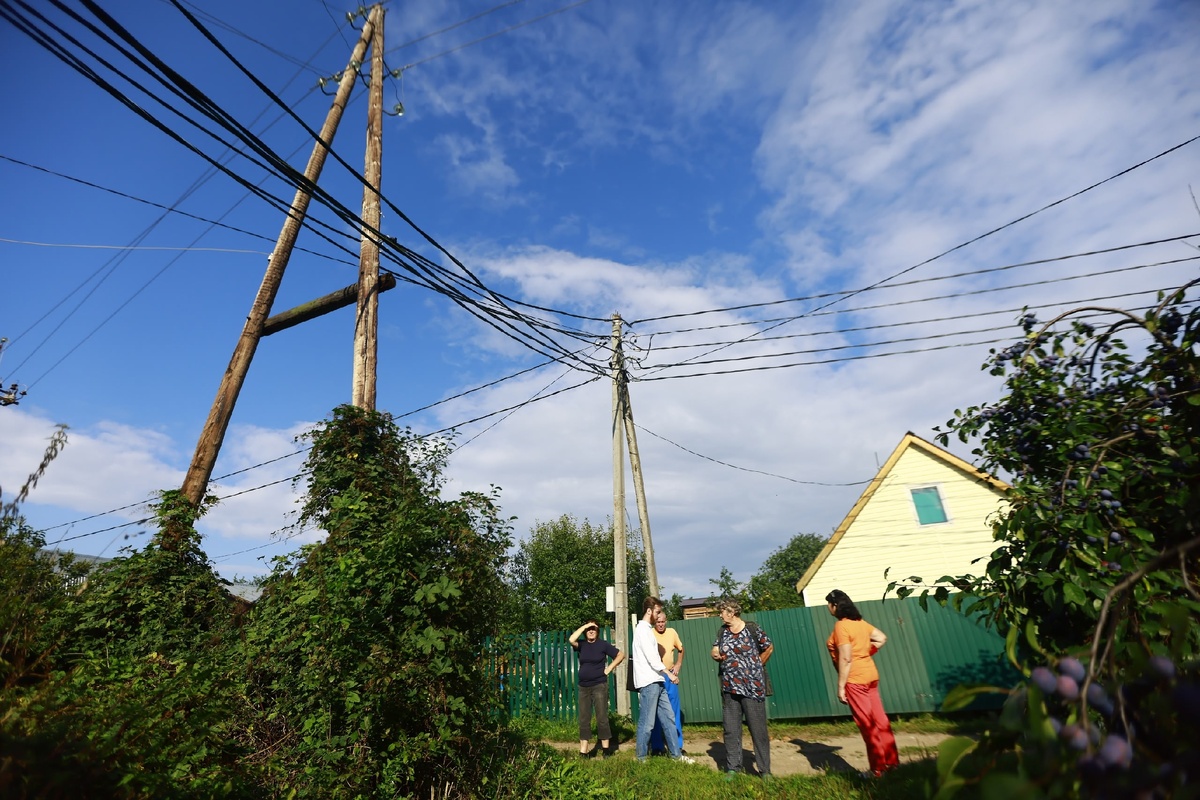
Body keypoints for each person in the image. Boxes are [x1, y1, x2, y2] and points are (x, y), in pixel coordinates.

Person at [825, 589, 899, 777]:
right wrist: (866, 653)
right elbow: (881, 638)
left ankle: (877, 770)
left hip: (855, 679)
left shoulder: (842, 626)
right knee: (880, 720)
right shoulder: (860, 623)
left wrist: (841, 686)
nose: (828, 608)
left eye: (828, 604)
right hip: (871, 676)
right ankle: (892, 763)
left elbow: (846, 658)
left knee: (867, 724)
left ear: (835, 606)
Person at [710, 598, 773, 779]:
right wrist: (715, 654)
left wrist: (757, 665)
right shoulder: (723, 632)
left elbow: (769, 647)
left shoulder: (752, 628)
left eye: (722, 611)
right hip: (730, 688)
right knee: (731, 729)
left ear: (731, 612)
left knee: (758, 729)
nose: (720, 615)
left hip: (752, 688)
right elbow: (715, 649)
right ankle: (733, 768)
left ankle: (765, 771)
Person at [631, 596, 694, 763]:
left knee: (668, 719)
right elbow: (652, 658)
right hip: (649, 683)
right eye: (657, 612)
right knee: (647, 723)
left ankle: (676, 756)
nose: (659, 616)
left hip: (657, 681)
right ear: (649, 611)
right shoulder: (642, 631)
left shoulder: (647, 630)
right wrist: (669, 673)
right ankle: (641, 758)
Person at [568, 619, 624, 757]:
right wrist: (585, 625)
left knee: (602, 717)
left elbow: (620, 655)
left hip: (599, 685)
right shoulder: (581, 644)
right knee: (584, 718)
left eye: (594, 629)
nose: (591, 631)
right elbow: (571, 639)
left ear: (598, 631)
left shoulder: (603, 645)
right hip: (583, 686)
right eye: (589, 629)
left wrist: (610, 668)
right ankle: (584, 751)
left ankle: (606, 750)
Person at [648, 609, 685, 755]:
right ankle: (657, 747)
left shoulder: (672, 632)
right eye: (658, 622)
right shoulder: (649, 634)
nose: (661, 625)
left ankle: (677, 746)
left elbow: (681, 649)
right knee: (655, 712)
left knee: (673, 711)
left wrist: (678, 665)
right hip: (655, 676)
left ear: (666, 621)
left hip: (671, 677)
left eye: (663, 622)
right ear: (654, 622)